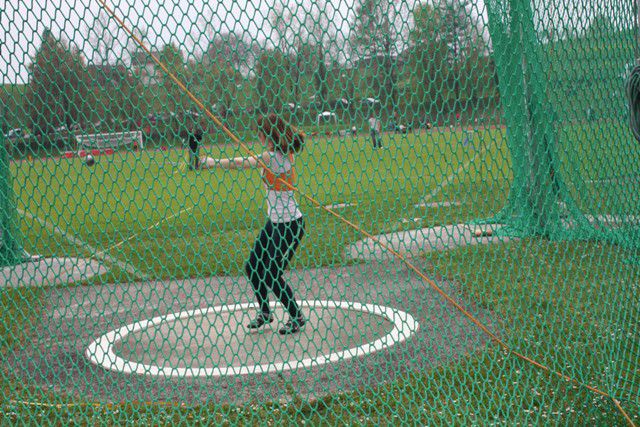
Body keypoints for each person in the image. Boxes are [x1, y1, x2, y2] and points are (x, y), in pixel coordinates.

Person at [198, 114, 306, 335]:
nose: (258, 137)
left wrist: (212, 163)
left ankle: (296, 315)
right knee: (253, 266)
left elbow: (241, 163)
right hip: (275, 223)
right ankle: (265, 312)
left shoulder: (271, 156)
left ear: (267, 135)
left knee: (271, 273)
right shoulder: (285, 153)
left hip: (289, 224)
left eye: (260, 133)